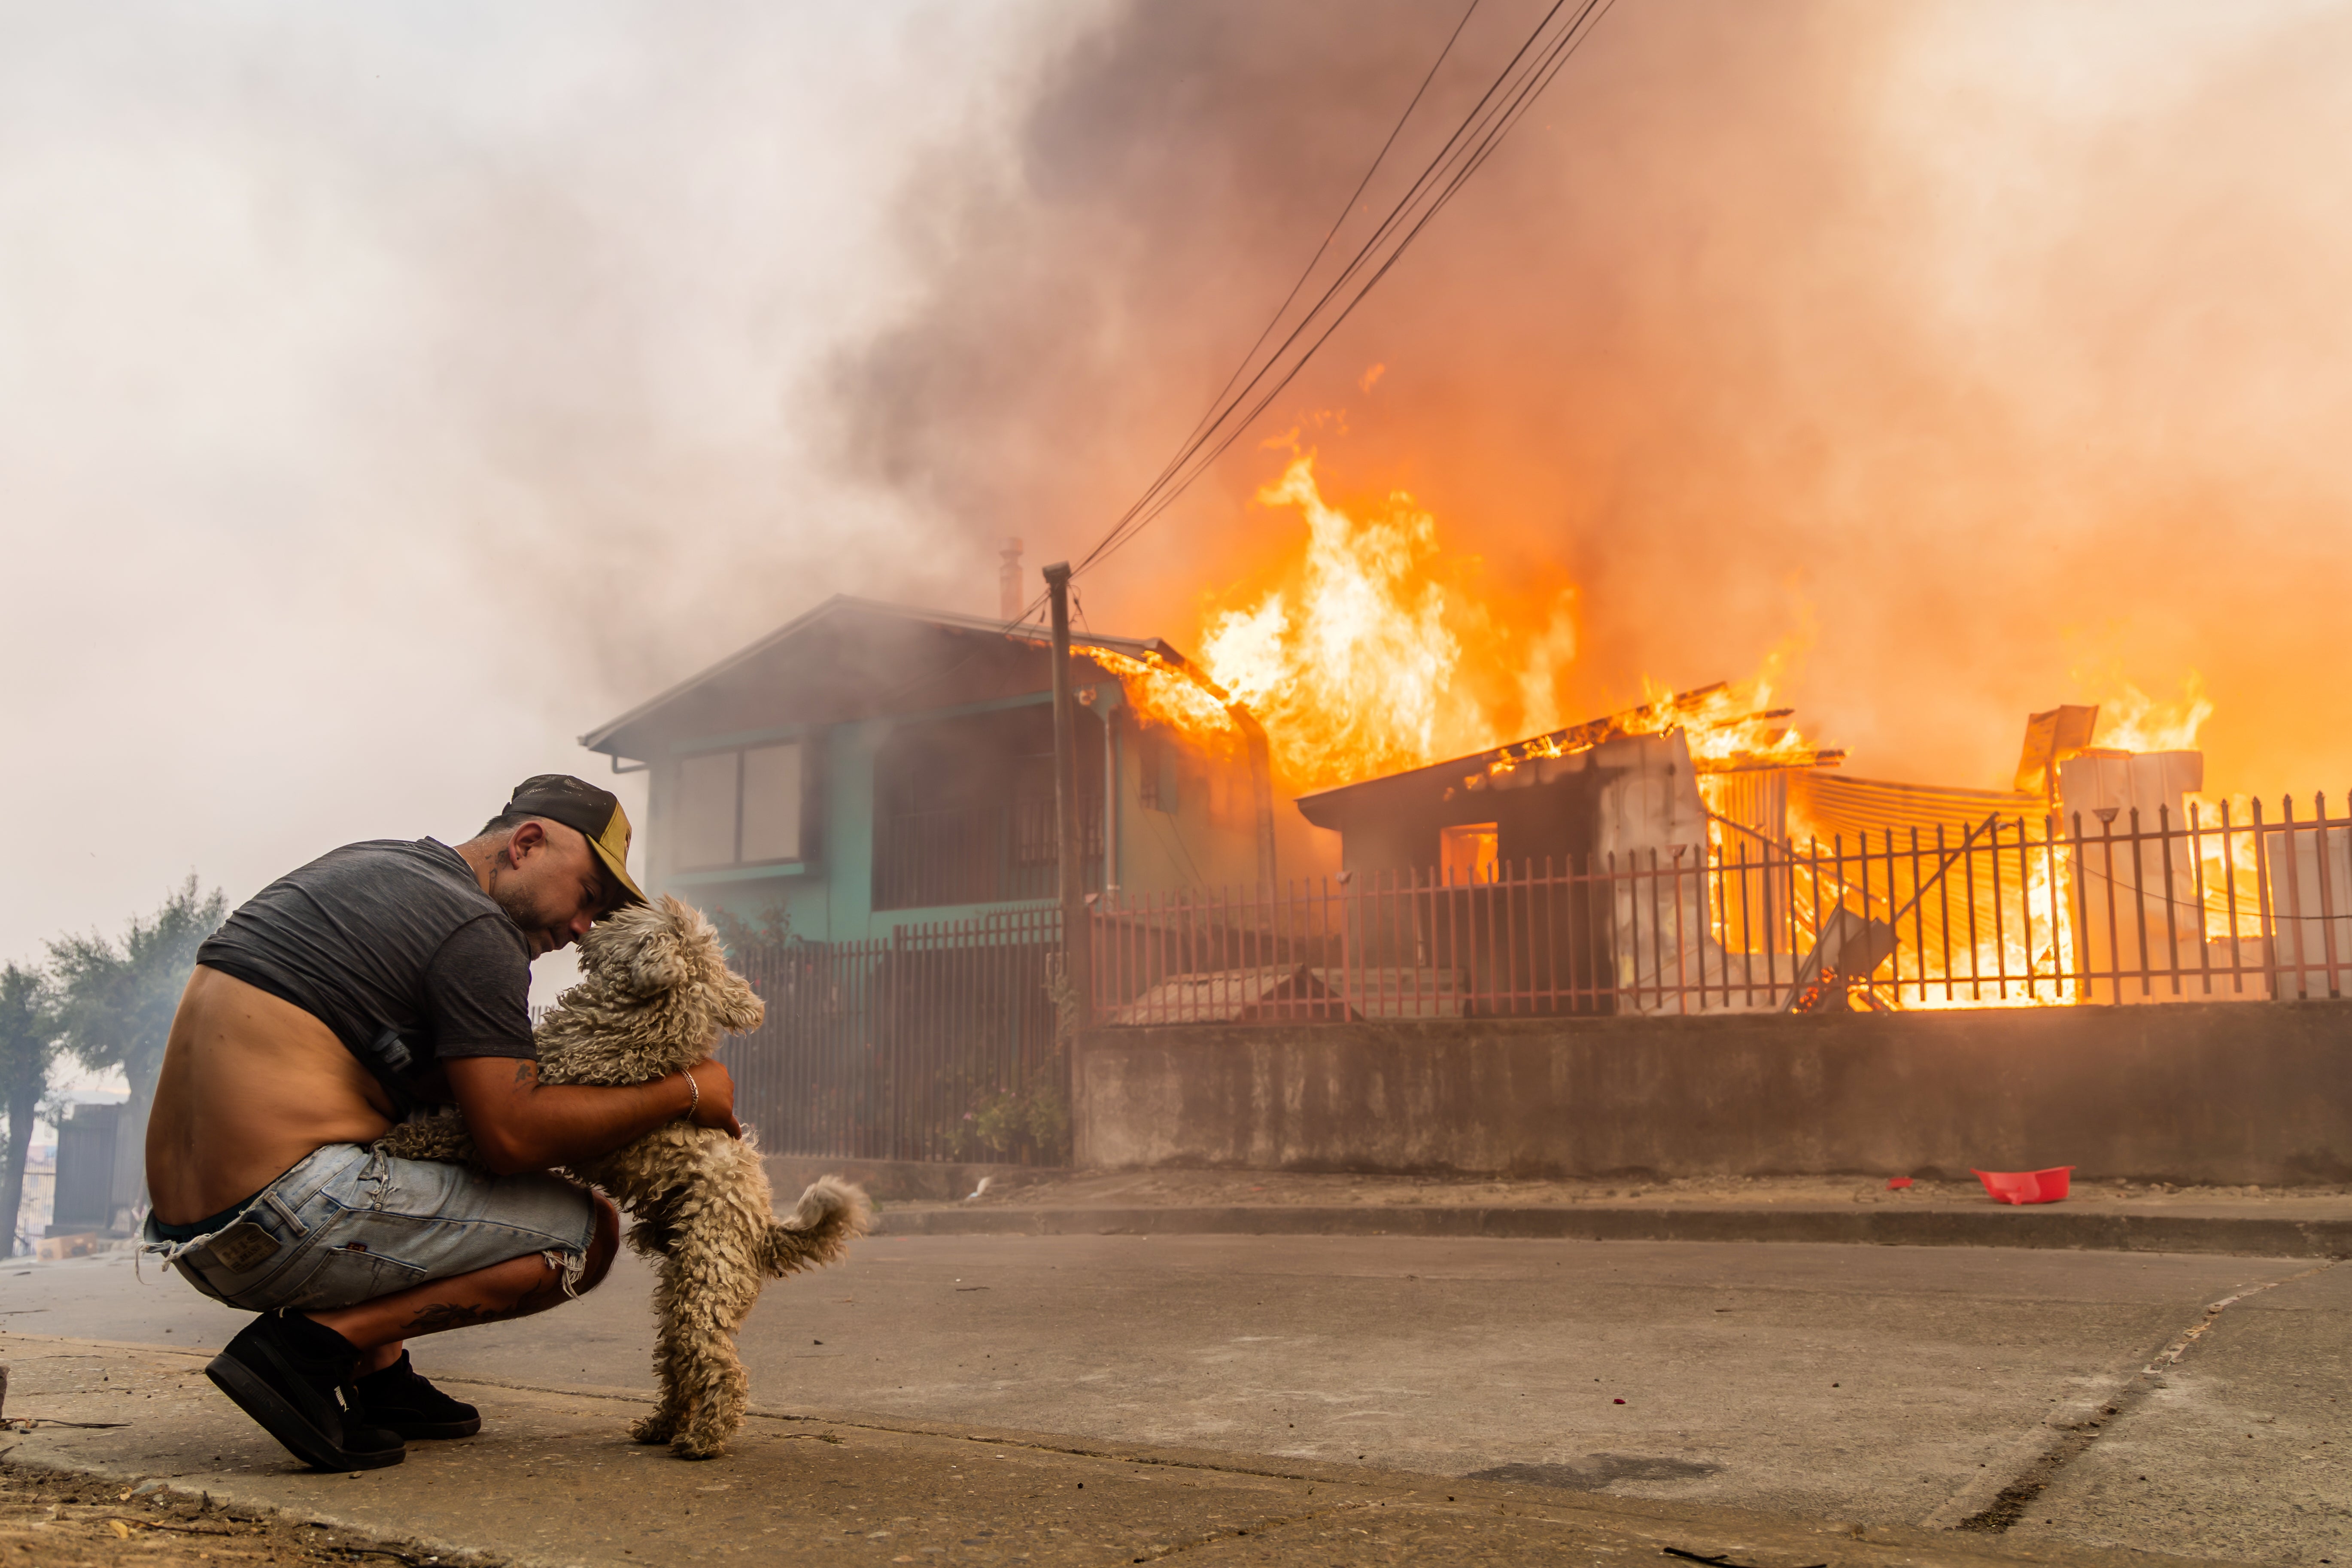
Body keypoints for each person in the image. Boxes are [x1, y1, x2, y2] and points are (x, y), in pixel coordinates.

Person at [143, 775, 741, 1471]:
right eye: (587, 896)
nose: (584, 927)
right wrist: (688, 1091)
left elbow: (424, 1095)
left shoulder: (372, 865)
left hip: (194, 1238)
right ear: (526, 844)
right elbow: (511, 1137)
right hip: (285, 1216)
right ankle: (307, 1352)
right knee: (587, 1236)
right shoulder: (477, 929)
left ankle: (380, 1378)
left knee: (411, 1126)